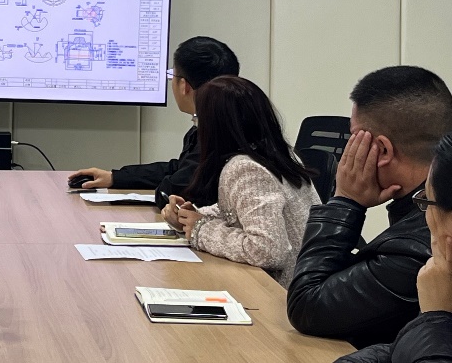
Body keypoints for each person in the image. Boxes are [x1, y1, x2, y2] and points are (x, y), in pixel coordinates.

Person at [287, 66, 452, 349]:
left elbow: (307, 306)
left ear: (382, 150)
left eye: (354, 137)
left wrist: (345, 201)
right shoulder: (424, 213)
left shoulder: (418, 248)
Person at [160, 76, 318, 287]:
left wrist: (201, 230)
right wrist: (191, 216)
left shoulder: (245, 168)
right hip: (306, 281)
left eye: (198, 119)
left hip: (280, 293)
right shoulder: (279, 153)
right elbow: (241, 211)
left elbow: (268, 250)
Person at [69, 36, 240, 207]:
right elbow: (179, 169)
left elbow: (174, 190)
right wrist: (115, 177)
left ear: (184, 86)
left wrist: (164, 189)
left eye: (172, 76)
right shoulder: (223, 122)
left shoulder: (217, 134)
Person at [336, 132, 452, 362]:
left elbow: (308, 306)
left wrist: (345, 200)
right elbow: (397, 350)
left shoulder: (415, 252)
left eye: (426, 200)